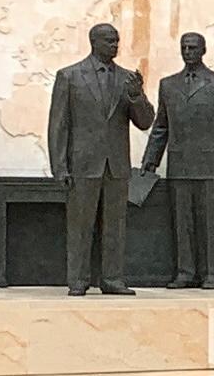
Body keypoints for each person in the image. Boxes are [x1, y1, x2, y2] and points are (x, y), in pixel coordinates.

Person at [46, 21, 155, 297]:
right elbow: (59, 125)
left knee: (115, 227)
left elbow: (145, 122)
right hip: (82, 165)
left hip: (116, 167)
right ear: (94, 42)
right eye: (110, 41)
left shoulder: (127, 79)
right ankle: (78, 280)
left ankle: (112, 279)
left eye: (117, 41)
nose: (115, 46)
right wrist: (59, 167)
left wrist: (137, 95)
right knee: (80, 226)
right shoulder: (69, 76)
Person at [148, 31, 214, 293]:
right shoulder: (168, 85)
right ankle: (185, 271)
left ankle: (211, 272)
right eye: (184, 47)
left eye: (193, 47)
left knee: (210, 225)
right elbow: (161, 127)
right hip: (179, 166)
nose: (188, 51)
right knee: (182, 224)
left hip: (211, 168)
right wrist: (151, 161)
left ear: (203, 50)